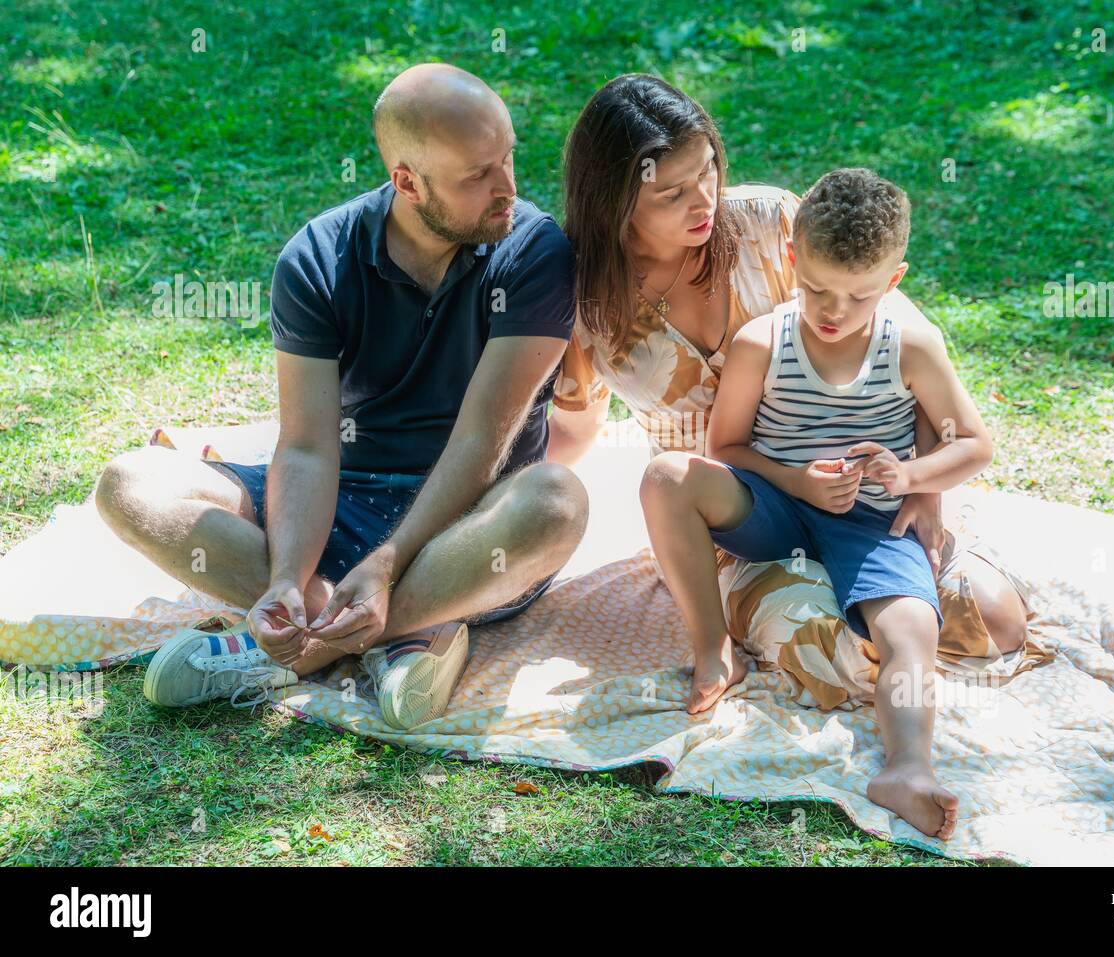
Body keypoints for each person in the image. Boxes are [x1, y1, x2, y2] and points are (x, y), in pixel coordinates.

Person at [95, 64, 588, 729]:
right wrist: (286, 577)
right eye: (478, 175)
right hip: (340, 505)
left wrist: (387, 563)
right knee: (131, 482)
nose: (509, 188)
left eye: (507, 159)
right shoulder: (317, 259)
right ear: (407, 182)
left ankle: (305, 645)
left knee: (557, 501)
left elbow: (481, 440)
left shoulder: (533, 251)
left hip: (470, 524)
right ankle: (393, 629)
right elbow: (305, 445)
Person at [548, 74, 1043, 721]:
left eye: (708, 173)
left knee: (996, 623)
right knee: (844, 661)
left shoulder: (771, 221)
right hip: (732, 513)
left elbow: (909, 347)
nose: (703, 201)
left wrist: (925, 490)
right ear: (613, 199)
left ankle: (865, 590)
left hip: (867, 491)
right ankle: (728, 637)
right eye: (671, 192)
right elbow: (574, 430)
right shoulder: (582, 297)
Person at [642, 168, 983, 839]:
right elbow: (728, 447)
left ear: (893, 279)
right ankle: (715, 647)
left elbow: (973, 442)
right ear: (792, 259)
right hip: (777, 502)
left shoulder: (911, 344)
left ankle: (907, 766)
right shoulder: (762, 344)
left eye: (858, 296)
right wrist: (797, 482)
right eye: (816, 289)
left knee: (912, 625)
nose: (832, 311)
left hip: (870, 514)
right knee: (666, 477)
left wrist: (914, 476)